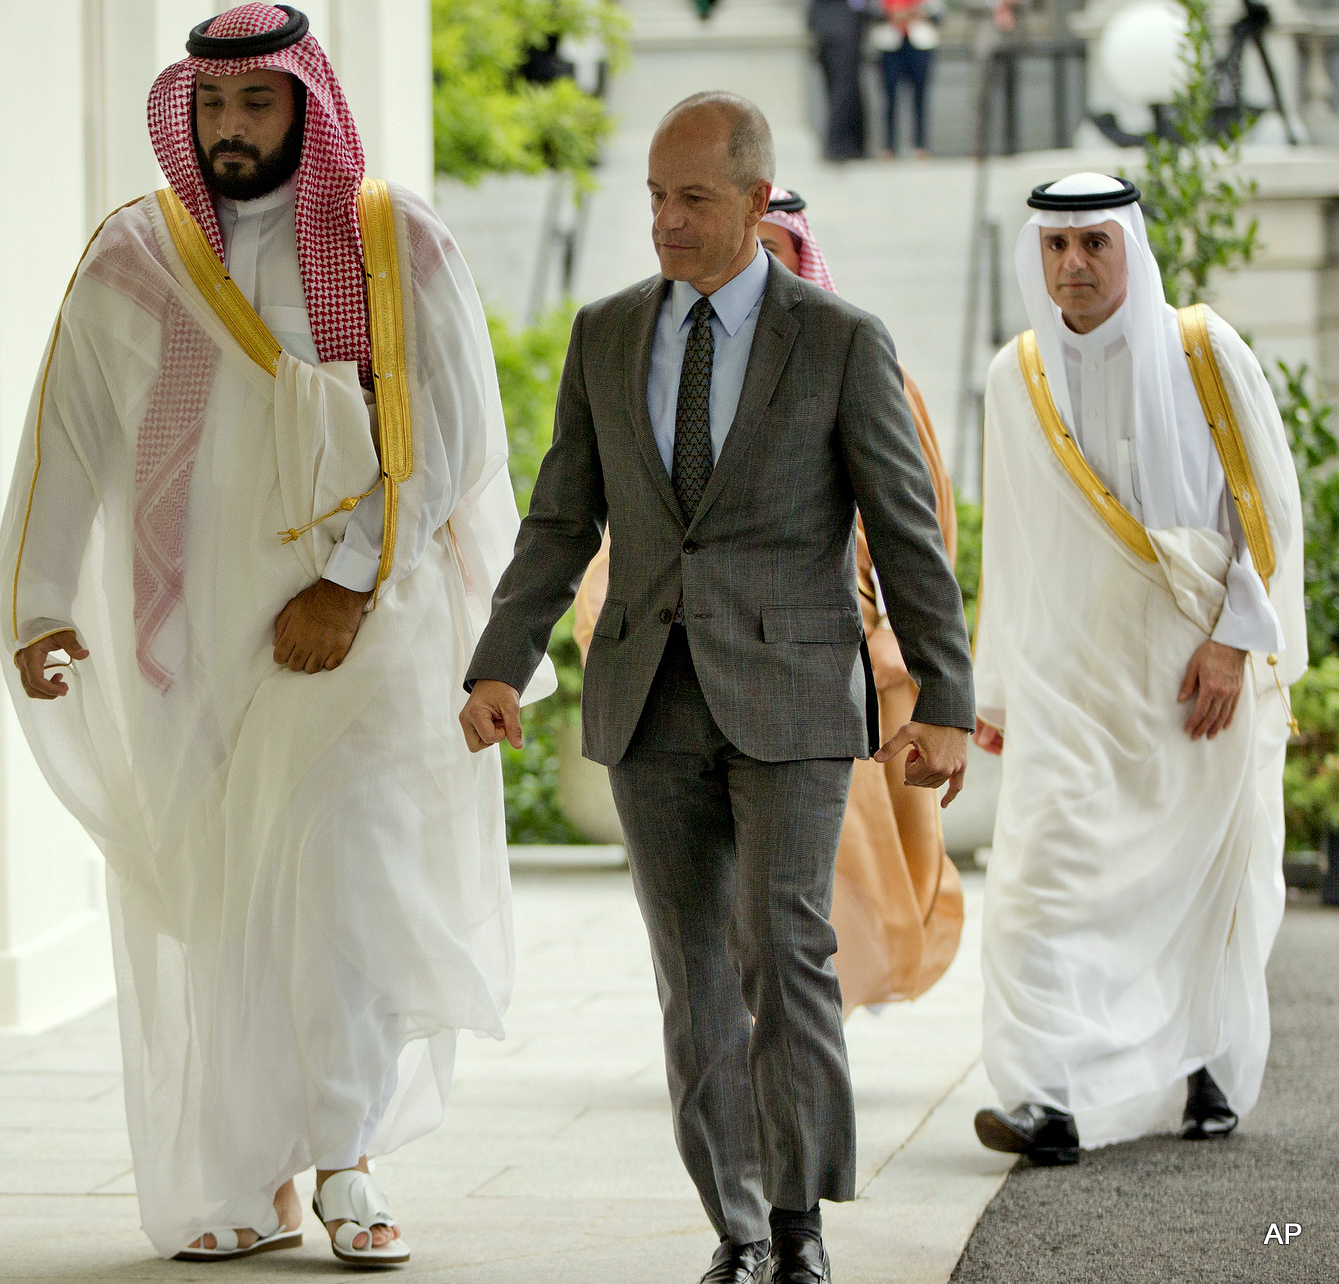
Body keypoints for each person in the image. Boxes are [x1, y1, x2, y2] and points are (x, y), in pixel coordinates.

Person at [0, 3, 550, 1264]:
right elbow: (69, 432)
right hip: (194, 634)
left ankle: (348, 1160)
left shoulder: (389, 240)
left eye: (257, 102)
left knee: (343, 887)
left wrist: (350, 583)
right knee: (229, 901)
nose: (233, 128)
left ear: (306, 102)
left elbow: (454, 430)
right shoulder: (137, 254)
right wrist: (37, 603)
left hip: (364, 626)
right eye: (211, 107)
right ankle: (251, 1175)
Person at [459, 92, 975, 1284]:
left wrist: (942, 693)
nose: (666, 221)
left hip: (793, 692)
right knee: (689, 974)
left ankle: (800, 1228)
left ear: (756, 201)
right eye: (652, 196)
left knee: (785, 949)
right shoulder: (603, 334)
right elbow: (558, 517)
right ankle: (737, 1230)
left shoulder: (841, 341)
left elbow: (906, 535)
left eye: (692, 198)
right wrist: (501, 659)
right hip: (648, 695)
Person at [971, 172, 1306, 1166]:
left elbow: (1271, 514)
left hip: (1187, 683)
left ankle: (1204, 1065)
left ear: (1128, 246)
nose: (1071, 267)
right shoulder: (1012, 374)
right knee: (1035, 880)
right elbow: (1013, 547)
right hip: (1067, 684)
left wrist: (1236, 642)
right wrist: (990, 690)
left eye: (1093, 246)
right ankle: (1045, 1098)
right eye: (1054, 249)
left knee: (1200, 882)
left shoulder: (1206, 351)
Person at [572, 188, 965, 1014]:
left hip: (830, 667)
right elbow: (621, 521)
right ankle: (763, 1043)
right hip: (684, 672)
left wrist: (912, 654)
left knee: (825, 889)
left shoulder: (854, 355)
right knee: (715, 922)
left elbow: (916, 524)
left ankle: (806, 1030)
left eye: (779, 253)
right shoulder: (651, 355)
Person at [870, 0, 939, 158]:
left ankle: (920, 144)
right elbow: (871, 10)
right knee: (889, 97)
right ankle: (889, 146)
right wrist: (891, 13)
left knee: (920, 97)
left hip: (920, 42)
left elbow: (937, 11)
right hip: (890, 44)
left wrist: (915, 11)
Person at [810, 0, 870, 161]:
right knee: (842, 90)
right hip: (842, 29)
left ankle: (853, 143)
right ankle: (838, 145)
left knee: (843, 90)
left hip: (829, 28)